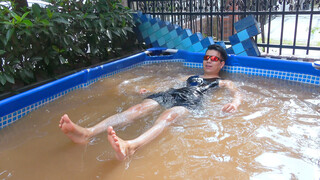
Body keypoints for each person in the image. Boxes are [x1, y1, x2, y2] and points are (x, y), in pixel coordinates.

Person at [59, 44, 242, 161]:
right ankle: (87, 133)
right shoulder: (190, 76)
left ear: (222, 64)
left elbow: (237, 93)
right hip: (172, 94)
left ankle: (132, 146)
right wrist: (147, 89)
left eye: (214, 59)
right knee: (138, 109)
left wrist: (234, 103)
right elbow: (169, 84)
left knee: (167, 117)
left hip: (192, 100)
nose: (209, 61)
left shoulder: (223, 82)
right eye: (206, 57)